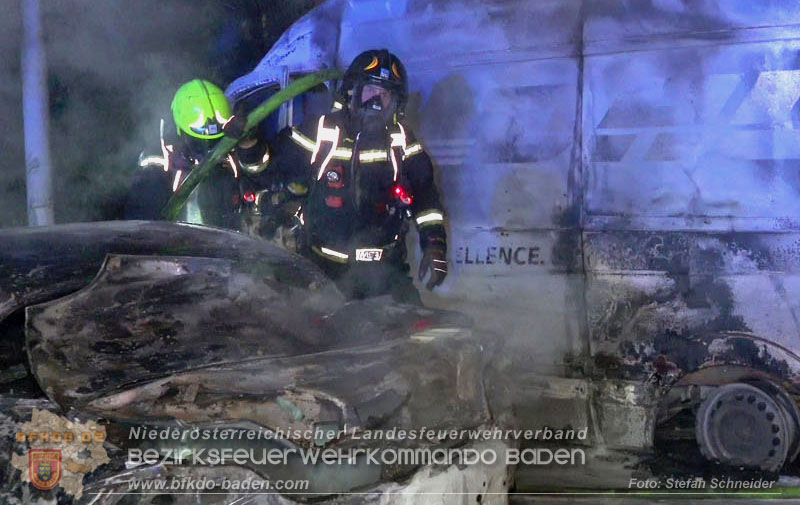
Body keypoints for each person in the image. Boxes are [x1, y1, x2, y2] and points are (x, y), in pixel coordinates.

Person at [259, 49, 447, 303]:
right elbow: (269, 167)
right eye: (371, 91)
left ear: (396, 103)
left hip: (385, 272)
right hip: (323, 272)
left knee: (414, 335)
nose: (377, 102)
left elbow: (426, 198)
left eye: (385, 95)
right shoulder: (321, 132)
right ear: (352, 92)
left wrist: (434, 245)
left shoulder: (402, 142)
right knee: (318, 338)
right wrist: (249, 143)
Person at [125, 79, 269, 230]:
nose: (208, 148)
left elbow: (260, 178)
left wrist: (248, 143)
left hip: (228, 245)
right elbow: (140, 225)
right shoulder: (156, 166)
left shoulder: (229, 148)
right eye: (199, 140)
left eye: (215, 140)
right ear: (179, 131)